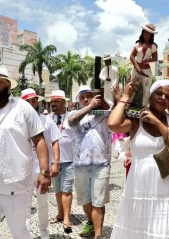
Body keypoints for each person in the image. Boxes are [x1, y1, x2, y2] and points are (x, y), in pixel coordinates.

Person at [0, 64, 51, 238]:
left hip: (14, 187)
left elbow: (39, 140)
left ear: (8, 85)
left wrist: (45, 173)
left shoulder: (22, 108)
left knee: (20, 233)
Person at [108, 79, 169, 238]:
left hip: (166, 189)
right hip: (138, 188)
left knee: (162, 231)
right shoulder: (136, 119)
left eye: (167, 96)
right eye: (159, 93)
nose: (163, 98)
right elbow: (113, 124)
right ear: (150, 95)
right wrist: (125, 96)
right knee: (137, 231)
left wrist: (158, 122)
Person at [65, 85, 112, 239]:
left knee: (98, 202)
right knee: (85, 200)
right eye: (82, 97)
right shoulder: (74, 114)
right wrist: (90, 106)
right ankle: (91, 223)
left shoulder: (104, 113)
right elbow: (71, 121)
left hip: (101, 165)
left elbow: (115, 111)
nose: (86, 99)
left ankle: (98, 234)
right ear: (78, 100)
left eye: (89, 96)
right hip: (80, 165)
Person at [21, 88, 61, 238]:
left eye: (34, 100)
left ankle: (44, 232)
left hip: (41, 171)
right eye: (28, 101)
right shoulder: (18, 121)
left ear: (37, 101)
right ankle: (24, 234)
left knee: (42, 203)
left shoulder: (46, 120)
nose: (31, 103)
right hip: (24, 171)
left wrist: (55, 163)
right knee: (23, 206)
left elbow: (55, 141)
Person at [48, 90, 74, 234]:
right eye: (52, 102)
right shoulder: (48, 118)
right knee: (58, 190)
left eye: (56, 101)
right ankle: (59, 213)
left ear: (64, 102)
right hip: (53, 161)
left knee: (67, 189)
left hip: (69, 160)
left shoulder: (72, 116)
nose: (53, 104)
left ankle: (66, 218)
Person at [129, 22, 158, 108]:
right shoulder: (137, 44)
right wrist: (137, 68)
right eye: (145, 33)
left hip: (147, 70)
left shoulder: (153, 46)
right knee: (133, 86)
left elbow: (155, 58)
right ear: (142, 33)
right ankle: (128, 103)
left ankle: (144, 106)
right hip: (136, 69)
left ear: (151, 35)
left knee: (146, 89)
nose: (147, 35)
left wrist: (147, 60)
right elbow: (131, 56)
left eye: (149, 34)